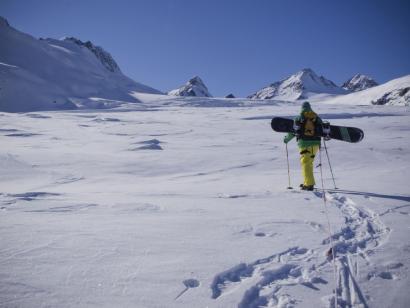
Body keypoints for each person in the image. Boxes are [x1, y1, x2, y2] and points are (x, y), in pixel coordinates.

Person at [283, 102, 322, 191]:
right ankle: (306, 181)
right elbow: (322, 130)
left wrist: (286, 139)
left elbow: (293, 131)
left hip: (304, 144)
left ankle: (309, 184)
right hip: (315, 145)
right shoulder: (316, 118)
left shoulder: (299, 118)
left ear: (302, 108)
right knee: (309, 162)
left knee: (305, 163)